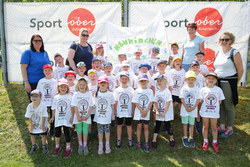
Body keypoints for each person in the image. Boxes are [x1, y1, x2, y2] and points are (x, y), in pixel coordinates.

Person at [214, 32, 244, 138]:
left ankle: (230, 127)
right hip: (218, 82)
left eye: (227, 39)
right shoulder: (218, 53)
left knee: (229, 105)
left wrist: (235, 83)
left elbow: (240, 70)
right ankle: (222, 126)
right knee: (220, 104)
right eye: (222, 39)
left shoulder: (234, 52)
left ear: (231, 41)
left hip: (229, 82)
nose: (224, 42)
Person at [20, 34, 51, 100]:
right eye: (36, 40)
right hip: (32, 82)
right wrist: (26, 83)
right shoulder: (27, 52)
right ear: (32, 42)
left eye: (40, 41)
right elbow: (23, 68)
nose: (38, 42)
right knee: (35, 103)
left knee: (44, 102)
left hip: (43, 82)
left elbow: (49, 67)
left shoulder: (45, 53)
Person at [200, 72, 225, 152]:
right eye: (209, 78)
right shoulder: (203, 89)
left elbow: (220, 101)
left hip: (214, 112)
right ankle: (205, 140)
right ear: (206, 80)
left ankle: (215, 142)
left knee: (214, 127)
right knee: (205, 126)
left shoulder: (218, 90)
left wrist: (213, 107)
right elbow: (201, 101)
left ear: (216, 80)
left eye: (213, 78)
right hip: (205, 112)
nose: (211, 80)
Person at [50, 79, 73, 158]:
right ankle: (57, 146)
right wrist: (52, 117)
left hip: (67, 119)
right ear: (58, 88)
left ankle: (68, 147)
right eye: (61, 87)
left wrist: (72, 117)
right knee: (57, 133)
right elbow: (53, 108)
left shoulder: (70, 96)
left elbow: (72, 107)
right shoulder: (56, 97)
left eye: (65, 87)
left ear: (67, 88)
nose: (63, 88)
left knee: (67, 132)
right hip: (58, 119)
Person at [152, 74, 175, 150]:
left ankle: (171, 138)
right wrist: (157, 111)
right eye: (158, 81)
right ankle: (154, 140)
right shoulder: (157, 92)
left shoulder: (167, 91)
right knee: (157, 126)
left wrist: (164, 112)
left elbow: (168, 102)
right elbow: (155, 102)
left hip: (166, 112)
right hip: (159, 112)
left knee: (168, 125)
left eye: (160, 81)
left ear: (165, 82)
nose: (159, 82)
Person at [132, 74, 154, 153]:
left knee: (146, 127)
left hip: (146, 113)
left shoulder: (150, 91)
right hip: (139, 113)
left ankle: (146, 142)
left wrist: (146, 111)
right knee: (139, 127)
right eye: (141, 81)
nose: (143, 82)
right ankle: (138, 141)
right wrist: (142, 111)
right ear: (139, 82)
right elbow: (136, 102)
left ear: (147, 81)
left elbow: (151, 102)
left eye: (144, 81)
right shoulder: (137, 91)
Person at [71, 78, 93, 155]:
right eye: (80, 84)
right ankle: (80, 144)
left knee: (85, 130)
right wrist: (77, 116)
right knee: (79, 130)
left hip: (86, 116)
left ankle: (85, 145)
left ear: (86, 85)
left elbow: (91, 106)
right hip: (78, 116)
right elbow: (75, 106)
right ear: (78, 85)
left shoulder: (89, 94)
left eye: (83, 84)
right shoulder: (75, 94)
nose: (82, 86)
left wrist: (88, 115)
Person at [94, 76, 115, 154]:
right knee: (100, 130)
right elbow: (95, 105)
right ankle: (100, 144)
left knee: (106, 129)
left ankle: (107, 144)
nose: (103, 84)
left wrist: (113, 116)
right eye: (101, 83)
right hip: (99, 116)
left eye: (104, 83)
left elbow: (112, 105)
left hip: (107, 116)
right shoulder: (96, 94)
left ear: (107, 84)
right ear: (98, 84)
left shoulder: (110, 94)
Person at [179, 71, 201, 148]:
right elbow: (182, 98)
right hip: (185, 110)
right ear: (185, 80)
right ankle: (185, 137)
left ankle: (191, 137)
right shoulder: (184, 88)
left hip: (193, 110)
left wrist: (193, 107)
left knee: (192, 124)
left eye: (192, 79)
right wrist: (186, 107)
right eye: (189, 79)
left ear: (195, 80)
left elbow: (198, 99)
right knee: (185, 123)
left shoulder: (197, 89)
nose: (190, 81)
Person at [114, 72, 134, 149]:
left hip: (128, 111)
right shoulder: (117, 90)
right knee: (119, 125)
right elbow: (115, 101)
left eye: (126, 79)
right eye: (123, 79)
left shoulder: (131, 89)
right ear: (120, 79)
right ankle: (118, 139)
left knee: (129, 125)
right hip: (120, 111)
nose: (124, 80)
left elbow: (133, 101)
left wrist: (133, 110)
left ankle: (130, 139)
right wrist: (115, 111)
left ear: (128, 80)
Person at [25, 89, 48, 155]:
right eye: (32, 96)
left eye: (36, 96)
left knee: (43, 134)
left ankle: (44, 145)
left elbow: (44, 116)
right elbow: (29, 116)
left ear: (40, 98)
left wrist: (43, 125)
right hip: (34, 123)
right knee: (32, 134)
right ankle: (33, 145)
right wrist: (31, 125)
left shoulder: (43, 106)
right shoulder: (29, 106)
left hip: (42, 123)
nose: (34, 98)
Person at [36, 64, 57, 137]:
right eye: (46, 70)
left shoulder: (54, 81)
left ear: (52, 71)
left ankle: (52, 130)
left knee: (52, 116)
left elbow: (57, 91)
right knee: (44, 116)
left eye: (49, 70)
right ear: (43, 71)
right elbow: (38, 91)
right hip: (43, 102)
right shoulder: (41, 81)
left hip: (52, 102)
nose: (47, 72)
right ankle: (43, 129)